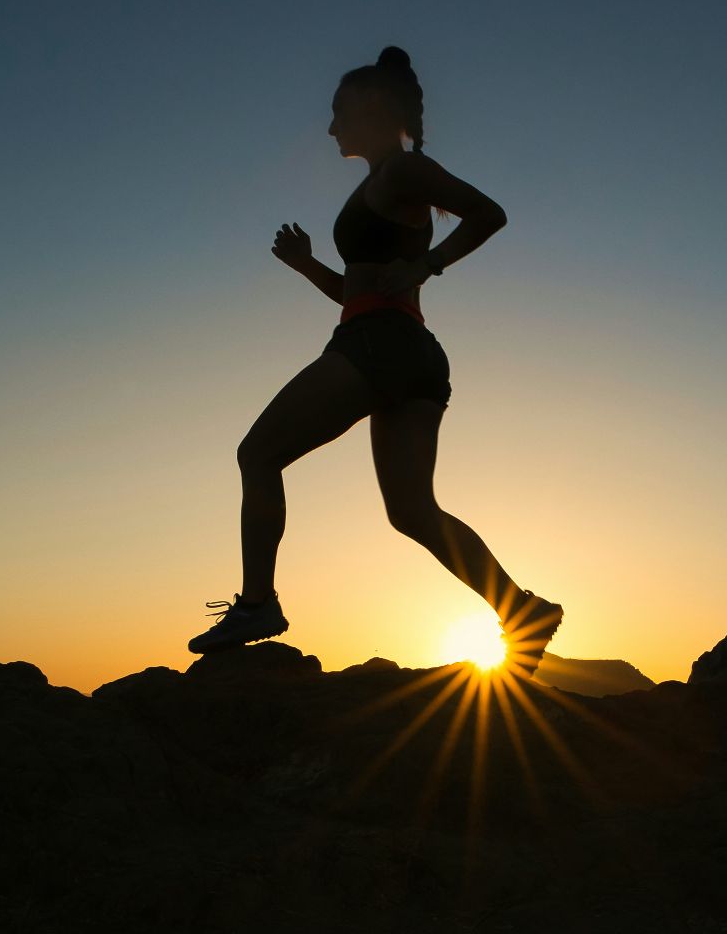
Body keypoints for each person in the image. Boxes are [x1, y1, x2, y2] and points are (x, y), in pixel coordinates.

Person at [187, 45, 565, 681]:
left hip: (379, 345)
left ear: (370, 110)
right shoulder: (383, 182)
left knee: (258, 454)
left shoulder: (400, 173)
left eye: (338, 114)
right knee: (412, 511)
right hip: (407, 350)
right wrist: (308, 265)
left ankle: (257, 605)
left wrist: (428, 264)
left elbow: (489, 214)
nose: (331, 127)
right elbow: (359, 290)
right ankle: (522, 610)